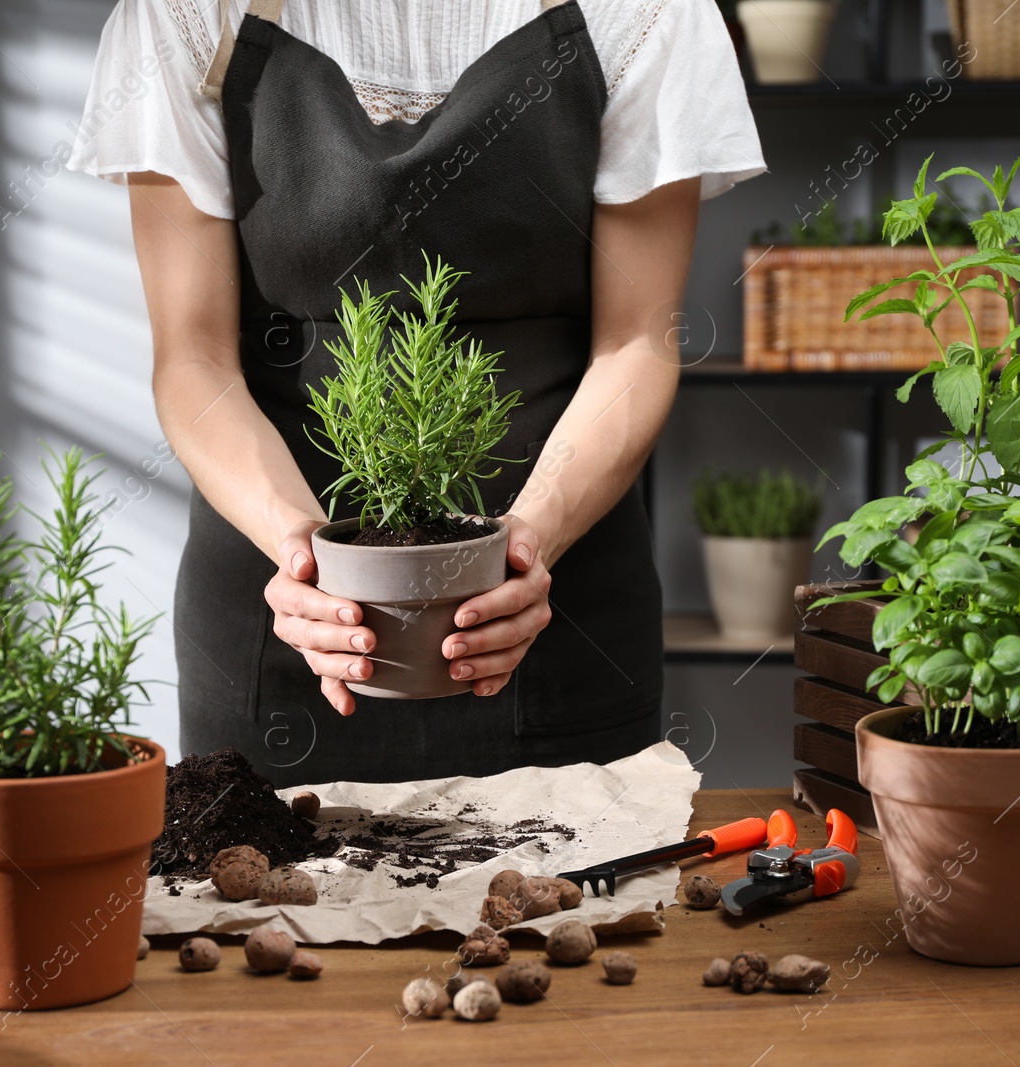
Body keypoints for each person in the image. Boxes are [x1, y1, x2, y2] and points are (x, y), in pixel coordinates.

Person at [69, 0, 765, 784]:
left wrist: (528, 546)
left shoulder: (643, 12)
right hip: (284, 624)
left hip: (553, 615)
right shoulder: (187, 14)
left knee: (582, 900)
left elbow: (636, 343)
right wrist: (305, 560)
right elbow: (193, 360)